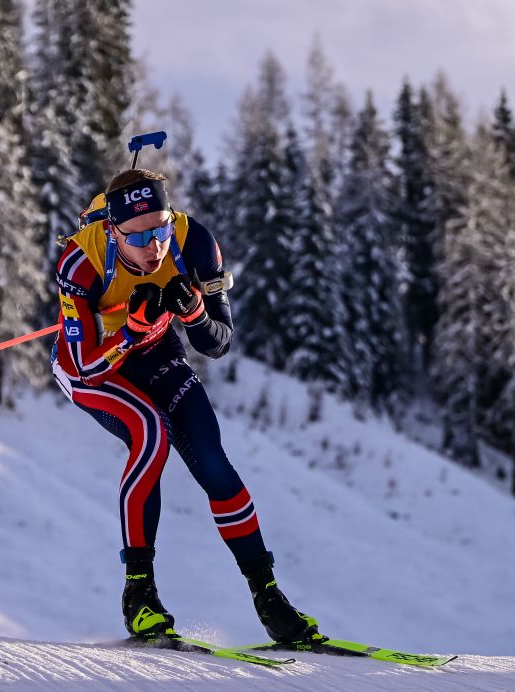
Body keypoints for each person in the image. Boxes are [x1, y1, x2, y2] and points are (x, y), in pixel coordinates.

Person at [50, 168, 320, 644]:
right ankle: (139, 595)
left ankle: (268, 595)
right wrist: (130, 330)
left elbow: (218, 343)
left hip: (155, 354)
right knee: (150, 433)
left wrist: (194, 314)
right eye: (139, 237)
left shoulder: (193, 242)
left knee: (212, 459)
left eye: (160, 228)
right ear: (112, 230)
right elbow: (84, 366)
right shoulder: (81, 263)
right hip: (95, 370)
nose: (154, 247)